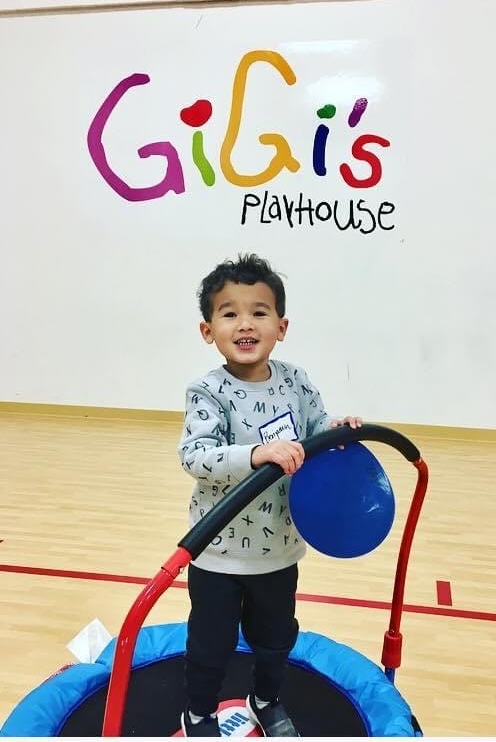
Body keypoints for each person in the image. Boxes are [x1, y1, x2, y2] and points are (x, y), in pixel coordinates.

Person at [178, 253, 361, 737]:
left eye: (259, 312)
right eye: (229, 312)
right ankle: (198, 712)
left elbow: (316, 430)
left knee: (276, 639)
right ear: (207, 329)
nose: (245, 323)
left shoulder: (296, 381)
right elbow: (195, 455)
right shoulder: (208, 391)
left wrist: (335, 430)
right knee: (210, 644)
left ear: (281, 326)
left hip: (279, 550)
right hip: (217, 553)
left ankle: (266, 699)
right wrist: (256, 453)